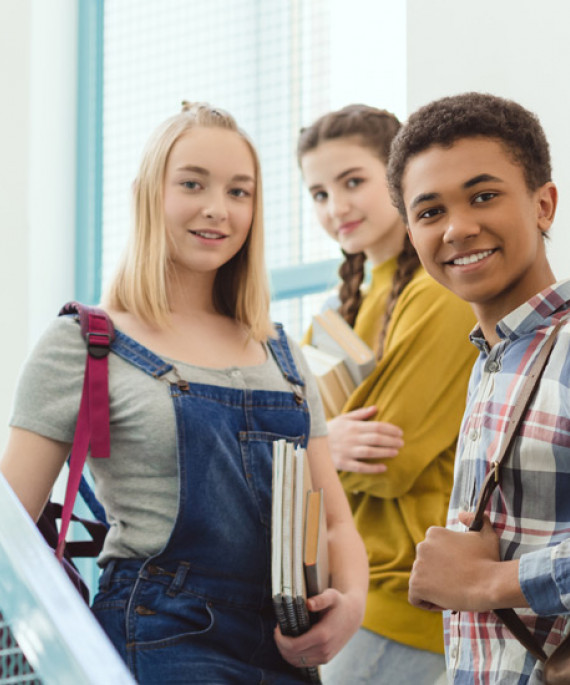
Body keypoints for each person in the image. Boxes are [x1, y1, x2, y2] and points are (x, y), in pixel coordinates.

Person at [0, 102, 368, 684]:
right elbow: (9, 535)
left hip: (287, 645)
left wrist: (349, 603)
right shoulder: (86, 343)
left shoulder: (281, 352)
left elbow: (336, 522)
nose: (217, 209)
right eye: (192, 184)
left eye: (239, 192)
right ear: (150, 193)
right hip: (157, 639)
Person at [388, 91, 570, 683]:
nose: (459, 228)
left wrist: (489, 582)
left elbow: (481, 580)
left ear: (543, 205)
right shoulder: (490, 363)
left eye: (484, 196)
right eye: (430, 211)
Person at [297, 104, 478, 684]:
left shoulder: (439, 293)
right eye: (319, 193)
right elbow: (280, 442)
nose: (336, 207)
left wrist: (312, 445)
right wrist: (321, 443)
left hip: (403, 600)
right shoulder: (333, 312)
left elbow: (386, 462)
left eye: (353, 182)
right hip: (341, 588)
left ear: (401, 179)